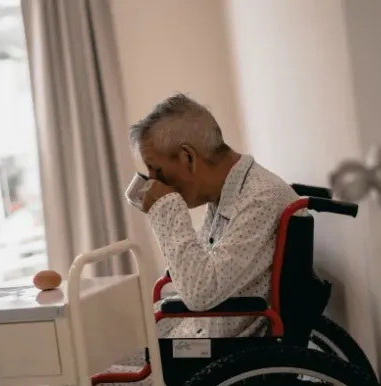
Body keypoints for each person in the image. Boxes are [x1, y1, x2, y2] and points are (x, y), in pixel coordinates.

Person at [105, 93, 303, 383]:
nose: (154, 183)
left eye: (156, 171)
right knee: (108, 352)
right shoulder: (227, 193)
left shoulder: (259, 198)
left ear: (188, 157)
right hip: (202, 335)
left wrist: (166, 209)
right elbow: (192, 276)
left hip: (220, 350)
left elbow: (199, 292)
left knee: (110, 371)